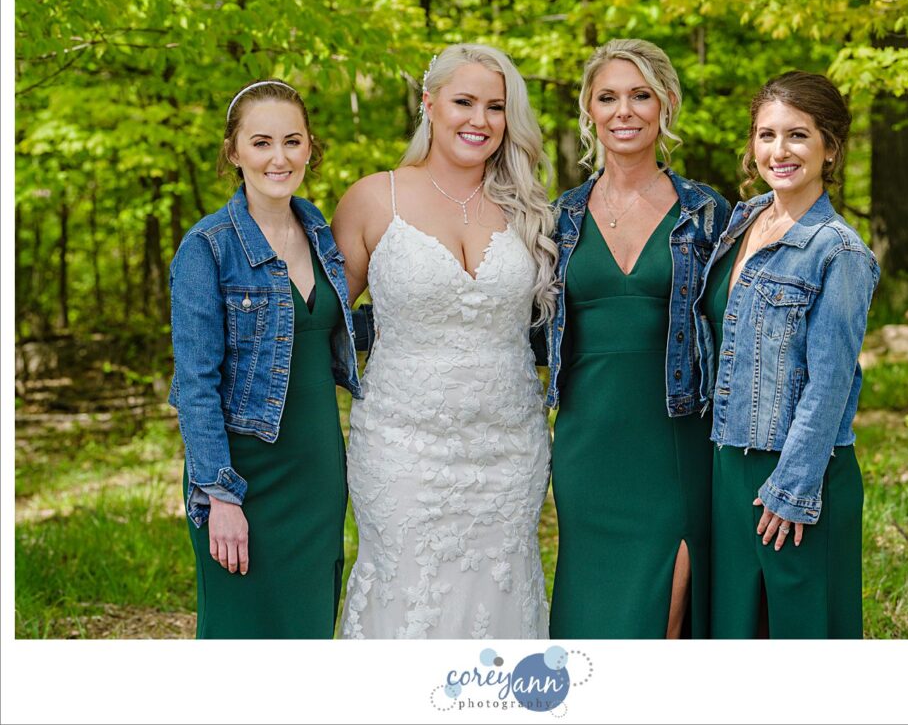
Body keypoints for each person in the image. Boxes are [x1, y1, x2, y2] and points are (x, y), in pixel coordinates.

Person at [331, 44, 557, 639]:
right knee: (409, 596)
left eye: (495, 107)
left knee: (501, 595)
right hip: (402, 448)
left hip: (510, 450)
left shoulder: (528, 209)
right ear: (429, 104)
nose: (479, 120)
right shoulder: (373, 198)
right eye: (464, 102)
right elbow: (316, 322)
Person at [545, 39, 731, 639]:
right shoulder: (558, 218)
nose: (623, 111)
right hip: (588, 443)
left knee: (665, 617)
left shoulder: (708, 214)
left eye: (640, 96)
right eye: (608, 97)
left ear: (666, 104)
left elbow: (736, 330)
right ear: (589, 110)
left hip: (675, 438)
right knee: (589, 619)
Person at [169, 79, 367, 638]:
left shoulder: (322, 233)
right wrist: (220, 496)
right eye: (261, 143)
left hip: (316, 469)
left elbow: (325, 332)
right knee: (239, 634)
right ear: (234, 152)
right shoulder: (208, 247)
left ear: (309, 148)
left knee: (308, 628)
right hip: (244, 474)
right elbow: (196, 383)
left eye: (291, 141)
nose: (279, 158)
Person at [695, 71, 879, 638]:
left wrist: (793, 488)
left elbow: (831, 384)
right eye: (767, 134)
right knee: (736, 631)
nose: (780, 150)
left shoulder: (839, 252)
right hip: (728, 464)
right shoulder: (742, 222)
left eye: (798, 135)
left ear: (830, 148)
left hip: (797, 474)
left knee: (799, 636)